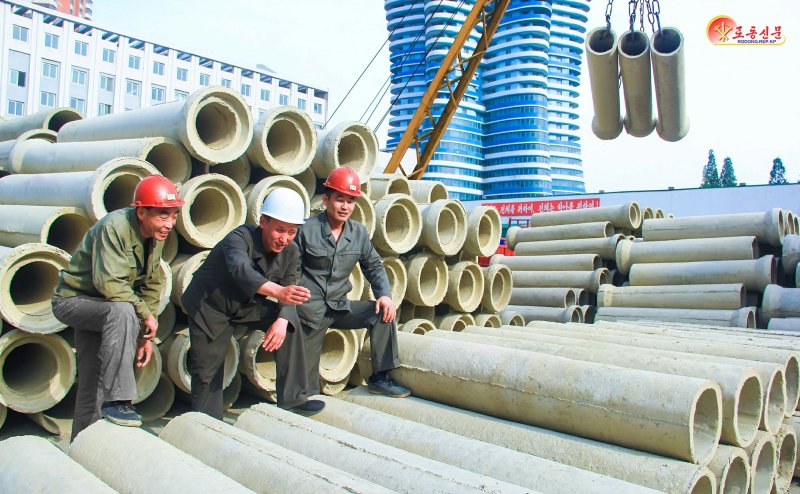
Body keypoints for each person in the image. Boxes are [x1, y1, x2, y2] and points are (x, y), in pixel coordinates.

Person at [52, 175, 183, 440]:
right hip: (74, 301)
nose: (169, 224)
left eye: (174, 215)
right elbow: (109, 283)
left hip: (106, 309)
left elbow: (152, 283)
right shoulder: (114, 227)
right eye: (162, 216)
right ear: (141, 211)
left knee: (91, 379)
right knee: (123, 310)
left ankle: (83, 445)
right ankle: (118, 400)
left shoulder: (156, 235)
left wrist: (146, 334)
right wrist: (145, 315)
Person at [182, 187, 312, 418]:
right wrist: (278, 291)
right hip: (210, 305)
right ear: (263, 222)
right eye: (279, 230)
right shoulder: (239, 237)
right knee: (208, 370)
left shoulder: (291, 251)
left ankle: (294, 398)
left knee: (289, 324)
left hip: (247, 304)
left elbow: (290, 287)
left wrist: (282, 320)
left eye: (292, 232)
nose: (284, 238)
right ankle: (207, 422)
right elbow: (240, 270)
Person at [291, 166, 410, 415]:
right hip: (310, 311)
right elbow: (290, 270)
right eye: (340, 199)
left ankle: (380, 377)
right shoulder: (306, 230)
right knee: (305, 392)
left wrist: (385, 295)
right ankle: (301, 402)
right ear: (326, 200)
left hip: (339, 306)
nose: (345, 206)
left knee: (382, 313)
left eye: (350, 201)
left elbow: (374, 265)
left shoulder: (358, 233)